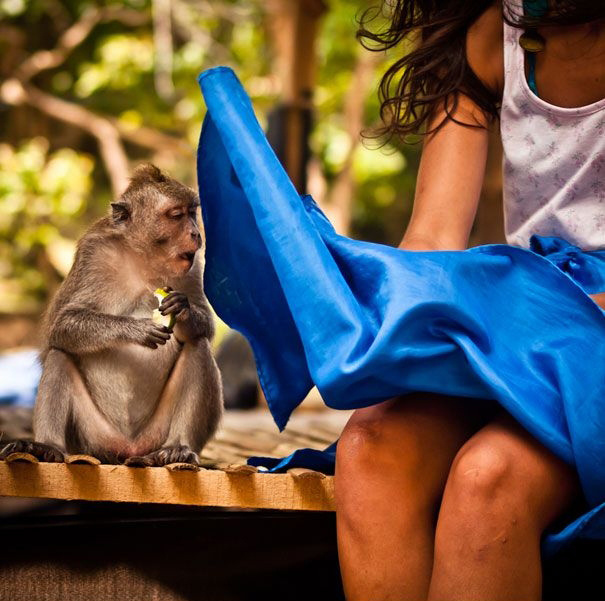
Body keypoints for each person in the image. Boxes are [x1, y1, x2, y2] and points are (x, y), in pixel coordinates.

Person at [334, 1, 605, 600]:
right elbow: (431, 240)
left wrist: (527, 321)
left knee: (488, 479)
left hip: (573, 331)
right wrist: (369, 307)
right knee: (370, 450)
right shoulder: (492, 36)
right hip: (531, 324)